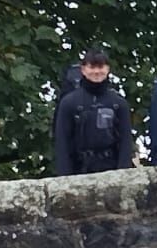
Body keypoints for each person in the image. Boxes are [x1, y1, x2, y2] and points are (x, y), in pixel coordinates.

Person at [53, 47, 135, 175]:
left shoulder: (119, 103)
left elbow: (126, 142)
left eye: (101, 67)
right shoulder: (69, 103)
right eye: (92, 67)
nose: (97, 71)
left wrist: (123, 174)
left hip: (111, 169)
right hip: (79, 171)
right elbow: (62, 143)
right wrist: (65, 177)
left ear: (107, 69)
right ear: (83, 70)